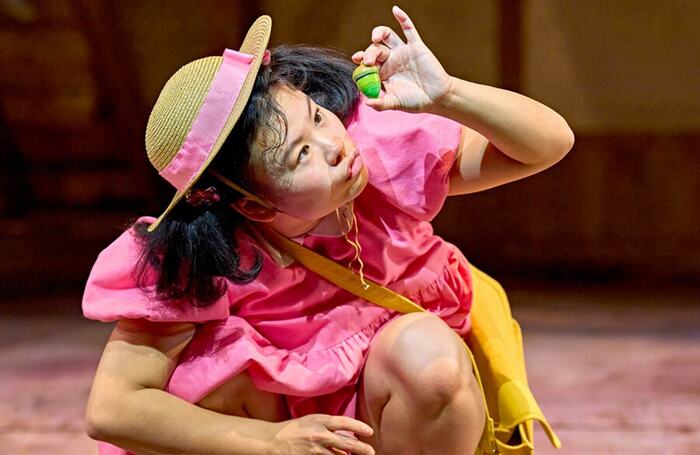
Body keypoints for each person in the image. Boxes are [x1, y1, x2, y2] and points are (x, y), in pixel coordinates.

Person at [82, 6, 573, 455]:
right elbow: (113, 409)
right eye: (300, 154)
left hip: (390, 416)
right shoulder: (200, 259)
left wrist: (448, 94)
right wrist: (272, 441)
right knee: (207, 381)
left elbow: (549, 143)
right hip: (278, 439)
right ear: (252, 205)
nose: (333, 143)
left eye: (317, 117)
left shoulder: (376, 152)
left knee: (429, 358)